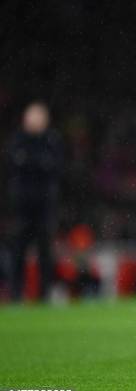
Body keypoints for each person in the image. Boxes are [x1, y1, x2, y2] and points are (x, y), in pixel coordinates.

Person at [7, 101, 63, 302]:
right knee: (18, 251)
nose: (35, 121)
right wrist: (40, 163)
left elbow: (56, 167)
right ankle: (15, 294)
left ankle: (44, 294)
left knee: (45, 252)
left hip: (45, 205)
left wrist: (31, 161)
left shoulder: (52, 140)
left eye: (39, 117)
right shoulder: (18, 140)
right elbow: (13, 164)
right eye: (32, 116)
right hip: (22, 206)